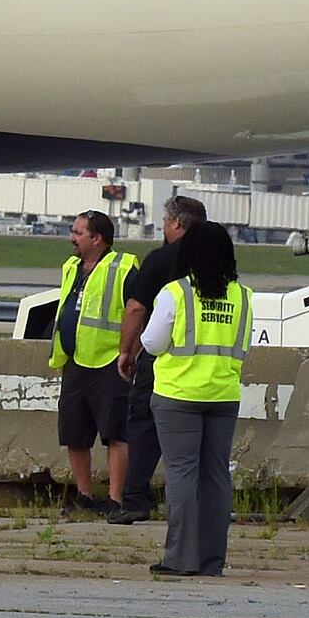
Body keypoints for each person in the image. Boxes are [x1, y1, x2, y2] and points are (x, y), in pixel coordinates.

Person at [134, 218, 249, 577]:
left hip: (178, 394)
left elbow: (151, 342)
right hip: (224, 394)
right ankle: (212, 560)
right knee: (216, 476)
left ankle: (180, 558)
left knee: (182, 474)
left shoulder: (176, 292)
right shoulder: (242, 295)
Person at [104, 195, 206, 525]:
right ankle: (199, 502)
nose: (163, 226)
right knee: (201, 435)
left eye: (165, 221)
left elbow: (136, 308)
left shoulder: (162, 259)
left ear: (177, 223)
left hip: (163, 356)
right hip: (212, 362)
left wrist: (126, 351)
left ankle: (135, 498)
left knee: (143, 425)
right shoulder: (216, 262)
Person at [50, 212, 139, 512]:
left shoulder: (123, 267)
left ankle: (115, 499)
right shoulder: (72, 267)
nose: (71, 238)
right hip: (75, 359)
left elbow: (138, 311)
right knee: (74, 432)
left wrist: (130, 352)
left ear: (97, 238)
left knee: (115, 432)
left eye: (77, 233)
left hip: (109, 361)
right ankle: (84, 496)